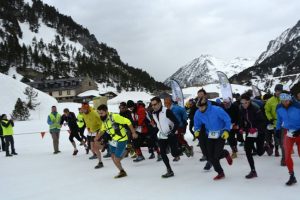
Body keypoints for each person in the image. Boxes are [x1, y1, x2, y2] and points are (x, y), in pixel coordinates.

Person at [194, 97, 232, 180]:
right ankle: (220, 172)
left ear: (206, 105)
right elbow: (197, 124)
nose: (200, 109)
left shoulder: (217, 110)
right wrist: (196, 130)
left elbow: (227, 120)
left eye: (202, 107)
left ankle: (225, 153)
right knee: (210, 157)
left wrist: (226, 130)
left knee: (216, 155)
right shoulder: (198, 113)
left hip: (221, 134)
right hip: (209, 134)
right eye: (199, 107)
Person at [96, 104, 138, 178]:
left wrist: (133, 132)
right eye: (99, 113)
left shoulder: (114, 117)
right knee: (113, 157)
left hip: (122, 139)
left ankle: (127, 150)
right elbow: (103, 129)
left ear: (106, 111)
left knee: (116, 159)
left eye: (101, 113)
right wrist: (97, 137)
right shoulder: (104, 119)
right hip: (113, 140)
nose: (100, 115)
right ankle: (122, 171)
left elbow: (128, 121)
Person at [239, 93, 269, 179]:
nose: (244, 105)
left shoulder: (256, 108)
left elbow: (263, 122)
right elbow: (241, 119)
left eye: (245, 103)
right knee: (247, 150)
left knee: (259, 153)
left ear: (249, 102)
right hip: (249, 132)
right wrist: (241, 128)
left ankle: (266, 147)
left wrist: (256, 128)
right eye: (242, 103)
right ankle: (253, 171)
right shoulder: (241, 109)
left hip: (259, 132)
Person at [151, 96, 182, 178]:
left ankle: (184, 149)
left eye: (155, 104)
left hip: (171, 134)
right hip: (162, 135)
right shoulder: (153, 113)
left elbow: (177, 122)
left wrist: (172, 132)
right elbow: (158, 124)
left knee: (174, 153)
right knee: (162, 153)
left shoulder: (166, 111)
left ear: (160, 103)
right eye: (152, 105)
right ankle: (169, 170)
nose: (153, 106)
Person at [276, 92, 300, 186]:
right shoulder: (279, 107)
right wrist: (277, 130)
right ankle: (292, 176)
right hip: (288, 132)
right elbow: (279, 119)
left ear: (290, 99)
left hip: (299, 132)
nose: (285, 102)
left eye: (286, 100)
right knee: (286, 156)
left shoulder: (298, 106)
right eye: (282, 101)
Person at [164, 96, 193, 160]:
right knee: (174, 140)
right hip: (171, 127)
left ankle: (188, 148)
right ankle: (178, 154)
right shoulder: (165, 110)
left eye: (166, 103)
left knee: (179, 139)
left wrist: (184, 123)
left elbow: (184, 115)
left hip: (179, 126)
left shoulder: (177, 108)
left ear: (170, 102)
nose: (165, 104)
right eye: (165, 103)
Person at [265, 84, 285, 165]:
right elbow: (267, 110)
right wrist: (270, 118)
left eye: (280, 91)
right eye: (277, 91)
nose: (278, 93)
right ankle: (274, 148)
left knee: (282, 141)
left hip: (284, 123)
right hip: (274, 123)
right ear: (275, 91)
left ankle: (282, 156)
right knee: (275, 137)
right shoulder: (270, 101)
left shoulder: (285, 99)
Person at [81, 103, 103, 169]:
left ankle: (100, 162)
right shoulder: (84, 114)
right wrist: (88, 128)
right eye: (83, 109)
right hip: (90, 131)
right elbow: (86, 122)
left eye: (84, 109)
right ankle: (106, 146)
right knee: (92, 148)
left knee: (96, 148)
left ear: (87, 108)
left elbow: (101, 122)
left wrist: (100, 131)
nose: (83, 111)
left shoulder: (94, 113)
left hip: (97, 131)